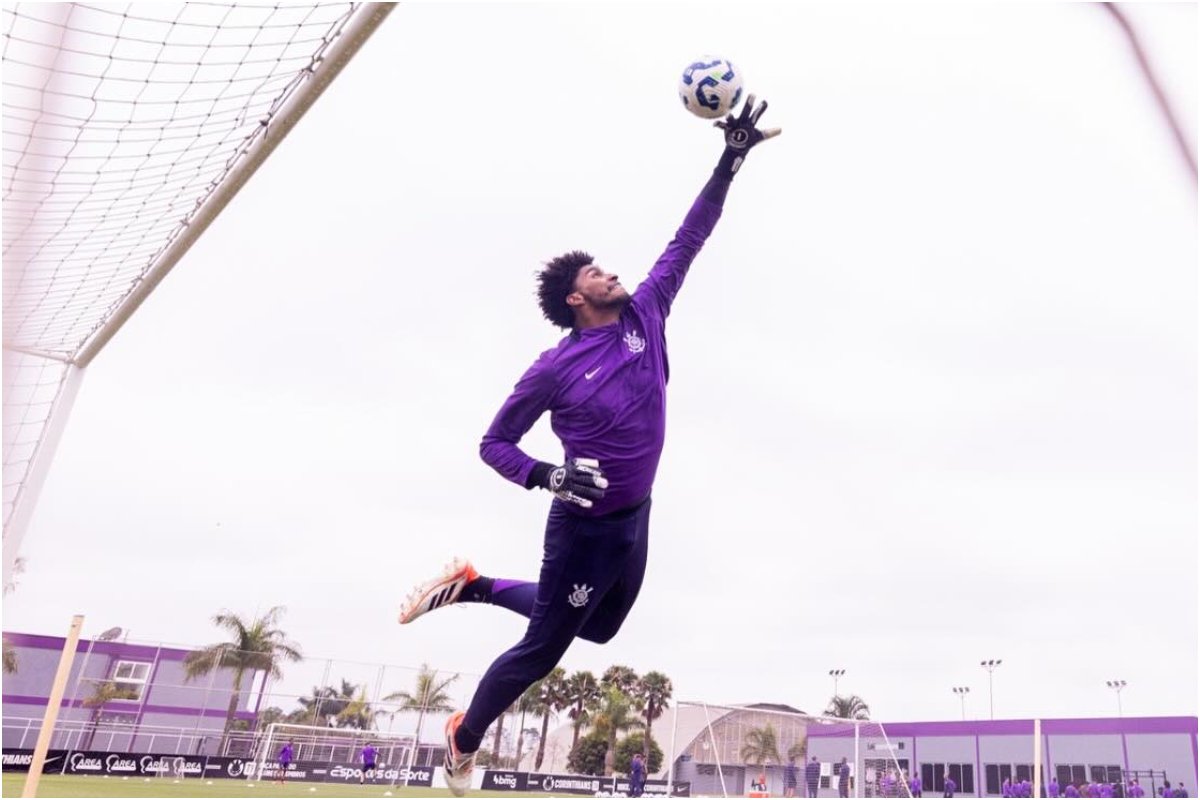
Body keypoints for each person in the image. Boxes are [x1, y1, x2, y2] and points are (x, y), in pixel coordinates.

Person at [394, 95, 781, 798]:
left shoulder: (646, 311)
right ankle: (463, 742)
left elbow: (687, 239)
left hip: (636, 514)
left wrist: (731, 157)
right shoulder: (553, 368)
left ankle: (475, 584)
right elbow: (494, 443)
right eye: (595, 274)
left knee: (599, 629)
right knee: (546, 647)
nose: (610, 274)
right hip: (584, 525)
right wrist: (547, 474)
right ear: (577, 300)